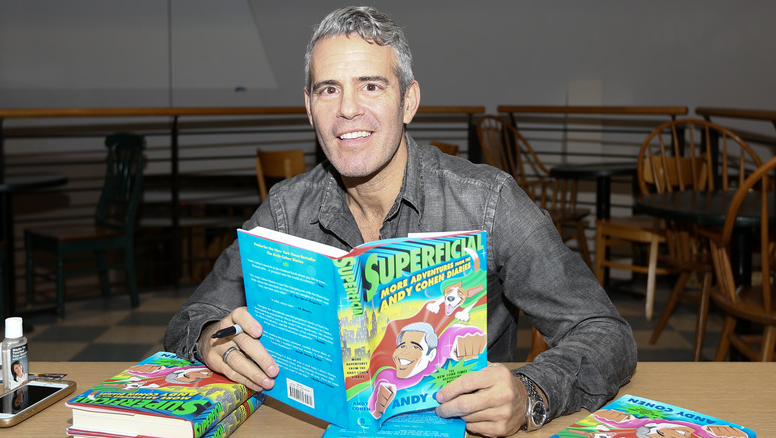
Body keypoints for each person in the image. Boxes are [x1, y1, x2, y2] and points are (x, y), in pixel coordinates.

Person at [165, 5, 637, 436]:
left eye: (371, 85)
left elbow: (605, 332)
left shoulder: (487, 203)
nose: (348, 109)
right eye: (329, 89)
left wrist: (531, 393)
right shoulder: (287, 209)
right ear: (309, 108)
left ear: (409, 102)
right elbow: (191, 319)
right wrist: (214, 340)